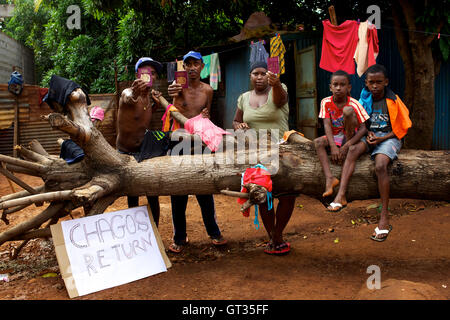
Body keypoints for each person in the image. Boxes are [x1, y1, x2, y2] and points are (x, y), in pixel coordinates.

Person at [167, 50, 227, 253]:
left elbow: (207, 117)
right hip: (179, 142)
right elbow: (172, 111)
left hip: (200, 143)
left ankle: (214, 232)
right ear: (184, 68)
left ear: (202, 67)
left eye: (196, 64)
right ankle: (179, 237)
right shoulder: (177, 89)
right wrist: (171, 92)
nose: (192, 68)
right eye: (188, 64)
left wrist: (205, 115)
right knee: (178, 191)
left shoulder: (208, 90)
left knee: (204, 188)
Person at [232, 60, 294, 255]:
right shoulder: (243, 98)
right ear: (250, 77)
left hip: (282, 150)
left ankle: (278, 234)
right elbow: (236, 120)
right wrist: (239, 126)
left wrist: (275, 84)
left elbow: (280, 101)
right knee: (262, 193)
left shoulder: (279, 88)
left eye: (262, 73)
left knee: (288, 194)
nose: (259, 77)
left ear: (269, 75)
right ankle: (273, 236)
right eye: (255, 74)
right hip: (255, 152)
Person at [359, 64, 412, 241]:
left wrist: (381, 139)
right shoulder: (365, 98)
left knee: (380, 165)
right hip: (371, 136)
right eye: (371, 82)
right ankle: (339, 195)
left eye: (379, 82)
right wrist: (367, 134)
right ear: (366, 83)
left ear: (386, 82)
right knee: (351, 152)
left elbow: (402, 128)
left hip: (389, 137)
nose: (374, 86)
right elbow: (361, 123)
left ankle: (384, 216)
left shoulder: (393, 100)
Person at [116, 57, 163, 226]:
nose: (151, 76)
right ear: (137, 75)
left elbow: (141, 120)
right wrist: (134, 93)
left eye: (154, 73)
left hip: (143, 151)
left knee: (152, 193)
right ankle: (134, 232)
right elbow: (128, 98)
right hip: (125, 153)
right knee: (132, 195)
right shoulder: (128, 93)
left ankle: (155, 232)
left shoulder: (149, 99)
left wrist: (155, 107)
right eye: (146, 72)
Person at [314, 70, 369, 211]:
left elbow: (363, 129)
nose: (338, 88)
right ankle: (329, 178)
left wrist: (346, 146)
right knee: (318, 142)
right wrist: (333, 147)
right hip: (337, 137)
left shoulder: (354, 103)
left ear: (349, 87)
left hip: (354, 136)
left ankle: (341, 195)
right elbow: (326, 124)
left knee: (348, 111)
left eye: (342, 85)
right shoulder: (325, 102)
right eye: (335, 84)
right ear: (330, 87)